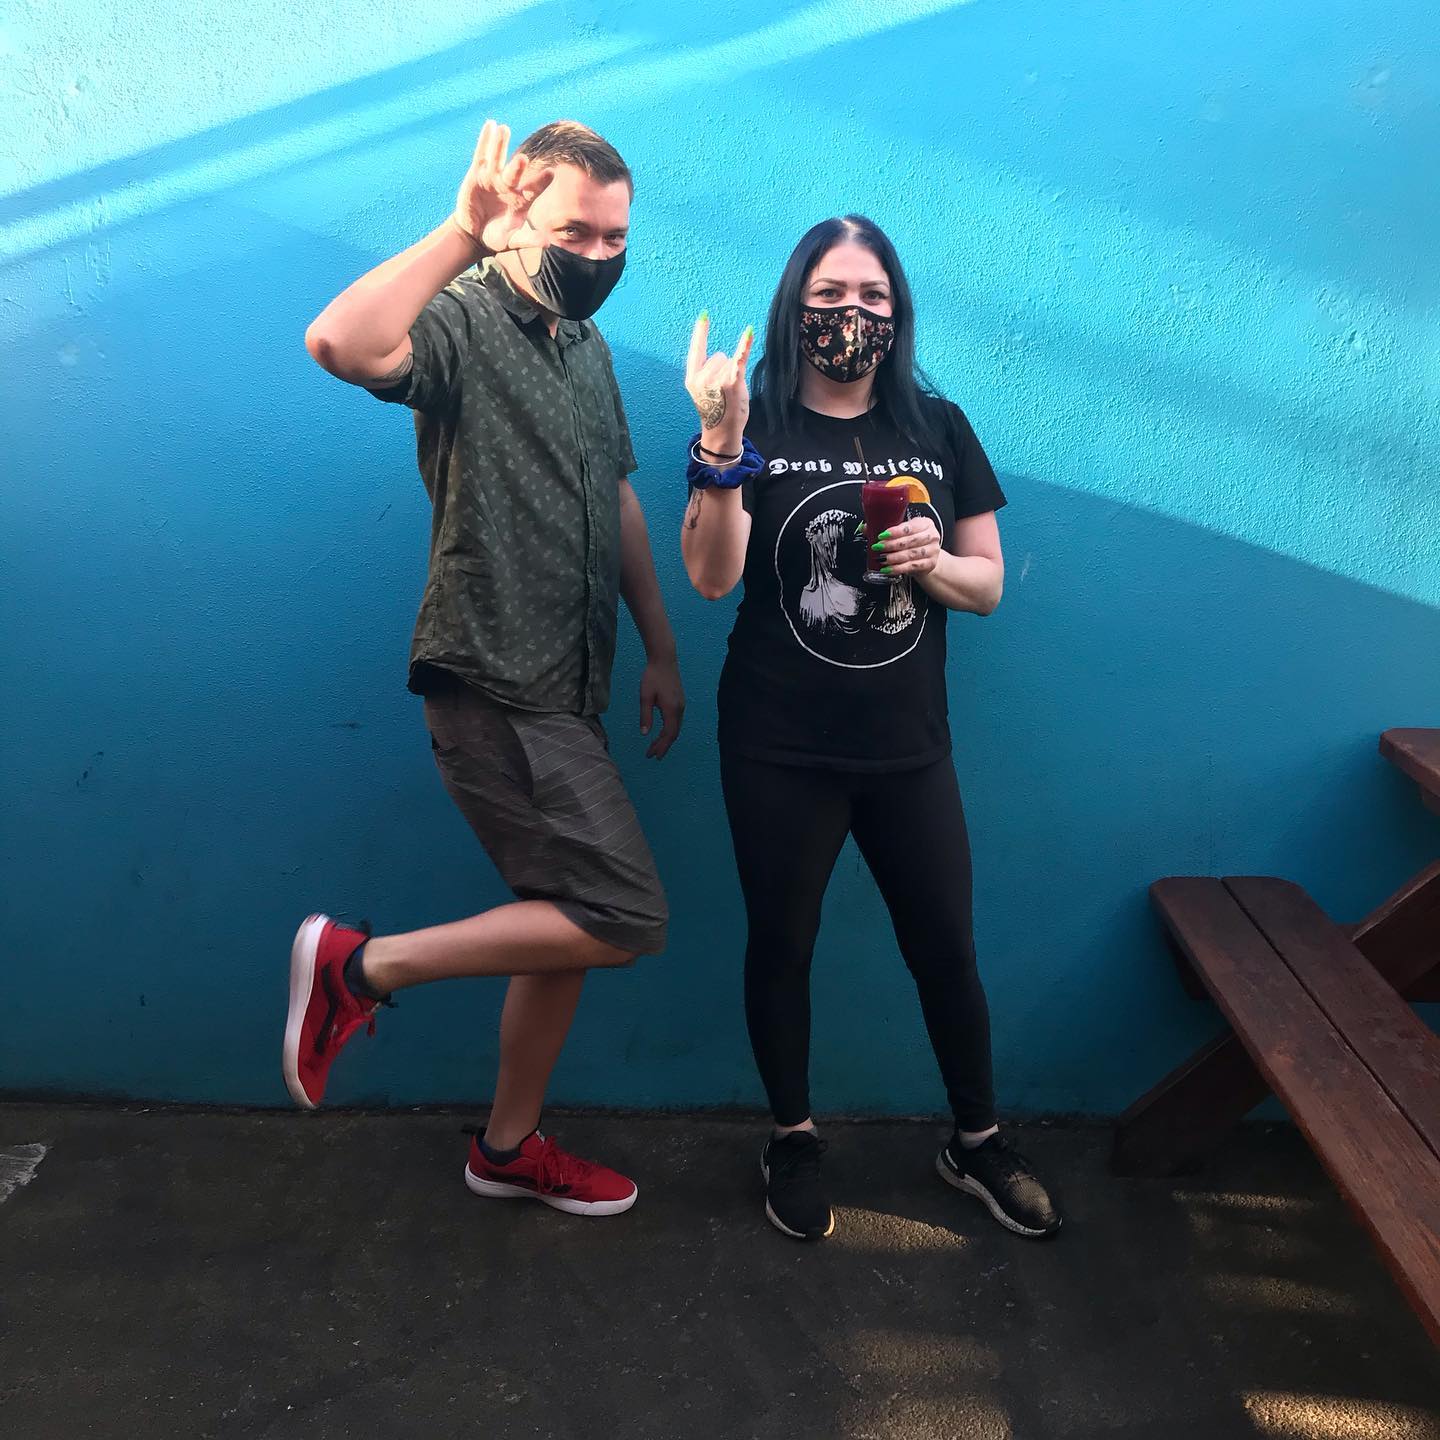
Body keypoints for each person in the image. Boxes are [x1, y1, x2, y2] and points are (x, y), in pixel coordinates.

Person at [284, 119, 683, 1218]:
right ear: (519, 218)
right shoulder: (463, 316)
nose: (596, 256)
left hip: (571, 683)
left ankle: (507, 1147)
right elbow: (341, 344)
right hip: (495, 671)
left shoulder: (587, 348)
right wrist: (461, 234)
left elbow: (616, 496)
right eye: (574, 232)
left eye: (614, 238)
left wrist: (658, 645)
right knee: (624, 914)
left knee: (564, 922)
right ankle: (359, 969)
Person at [680, 215, 1061, 1241]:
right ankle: (793, 1137)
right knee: (782, 945)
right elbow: (710, 578)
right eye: (831, 294)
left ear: (898, 312)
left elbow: (987, 587)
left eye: (873, 297)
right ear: (794, 304)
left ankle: (977, 1140)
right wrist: (720, 444)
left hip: (908, 749)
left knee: (946, 948)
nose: (852, 314)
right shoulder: (750, 420)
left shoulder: (939, 427)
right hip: (777, 745)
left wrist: (932, 563)